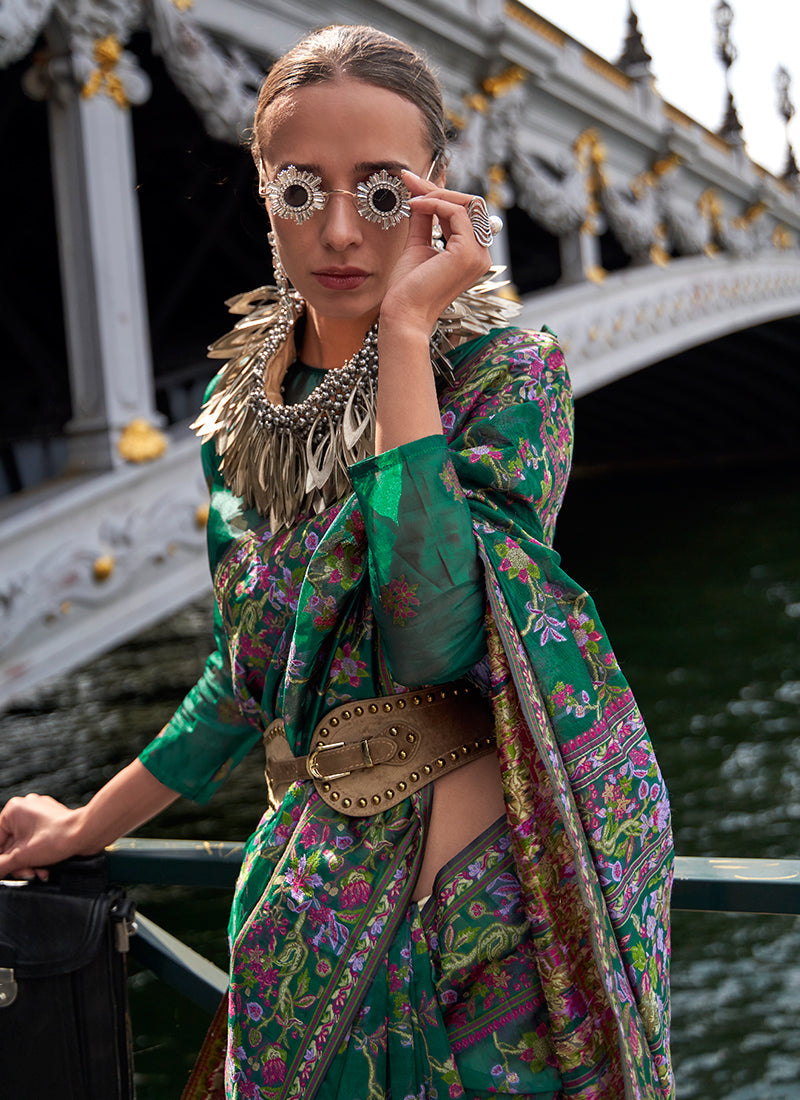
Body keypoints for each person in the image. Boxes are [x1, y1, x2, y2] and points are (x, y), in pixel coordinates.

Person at [0, 24, 674, 1100]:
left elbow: (434, 636)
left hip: (477, 919)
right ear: (262, 193)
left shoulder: (506, 373)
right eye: (301, 190)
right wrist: (85, 823)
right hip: (309, 908)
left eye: (381, 190)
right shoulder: (237, 420)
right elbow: (243, 673)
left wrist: (404, 336)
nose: (341, 230)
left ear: (439, 191)